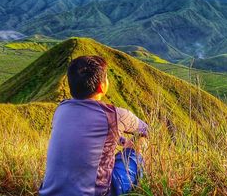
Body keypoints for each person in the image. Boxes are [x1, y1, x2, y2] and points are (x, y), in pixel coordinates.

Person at [39, 55, 148, 196]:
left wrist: (119, 139)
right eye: (106, 77)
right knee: (140, 142)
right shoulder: (115, 115)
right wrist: (130, 144)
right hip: (98, 193)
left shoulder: (61, 109)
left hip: (48, 193)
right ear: (102, 86)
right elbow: (147, 130)